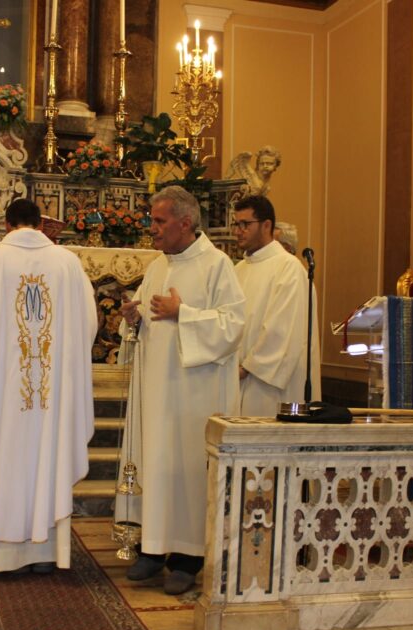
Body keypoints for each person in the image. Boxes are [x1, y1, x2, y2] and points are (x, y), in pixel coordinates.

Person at [0, 198, 98, 573]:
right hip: (50, 394)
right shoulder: (68, 264)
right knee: (47, 450)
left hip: (3, 393)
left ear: (7, 224)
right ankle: (46, 554)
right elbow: (88, 325)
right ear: (41, 224)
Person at [118, 186, 245, 595]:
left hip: (195, 393)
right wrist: (132, 318)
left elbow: (232, 325)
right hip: (158, 392)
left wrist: (183, 314)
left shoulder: (217, 265)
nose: (151, 228)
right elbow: (147, 319)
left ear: (185, 223)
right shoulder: (158, 265)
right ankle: (154, 549)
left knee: (188, 469)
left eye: (159, 221)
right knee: (159, 464)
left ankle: (188, 558)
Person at [233, 195, 321, 416]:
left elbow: (282, 330)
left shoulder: (289, 268)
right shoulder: (238, 269)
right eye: (236, 224)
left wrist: (247, 368)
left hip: (267, 383)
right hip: (237, 378)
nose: (238, 231)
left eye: (245, 224)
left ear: (266, 225)